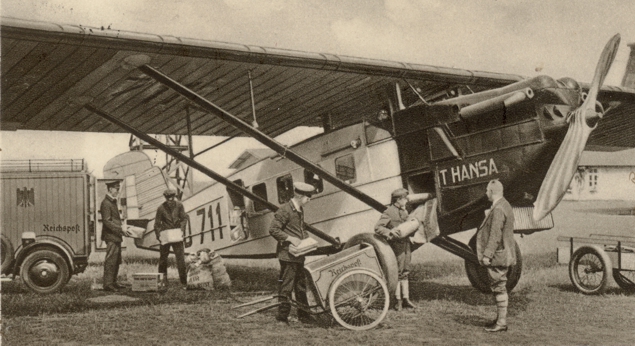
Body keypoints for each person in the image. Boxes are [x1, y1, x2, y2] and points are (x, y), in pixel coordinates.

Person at [268, 182, 315, 325]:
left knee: (300, 286)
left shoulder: (299, 209)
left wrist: (308, 239)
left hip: (298, 255)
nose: (310, 199)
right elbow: (273, 230)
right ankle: (282, 317)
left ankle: (304, 316)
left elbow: (299, 229)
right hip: (287, 256)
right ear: (300, 196)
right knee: (287, 286)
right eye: (308, 197)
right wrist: (289, 238)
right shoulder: (285, 210)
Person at [477, 180, 516, 332]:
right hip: (503, 252)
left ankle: (501, 323)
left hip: (498, 255)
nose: (486, 193)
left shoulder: (499, 209)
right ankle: (500, 319)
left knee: (499, 287)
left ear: (492, 192)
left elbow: (495, 235)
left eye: (487, 190)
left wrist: (487, 254)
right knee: (499, 286)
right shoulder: (505, 205)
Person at [375, 188, 416, 311]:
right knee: (397, 273)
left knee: (406, 271)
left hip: (406, 245)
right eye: (404, 199)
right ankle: (397, 300)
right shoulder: (389, 212)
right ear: (398, 200)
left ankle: (406, 299)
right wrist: (389, 232)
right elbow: (378, 228)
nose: (406, 201)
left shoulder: (405, 212)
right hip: (396, 246)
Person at [154, 189, 189, 288]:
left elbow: (184, 218)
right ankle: (162, 281)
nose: (170, 200)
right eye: (168, 198)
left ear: (174, 197)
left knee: (180, 259)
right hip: (165, 236)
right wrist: (160, 236)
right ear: (165, 197)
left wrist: (182, 230)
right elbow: (157, 224)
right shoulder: (161, 208)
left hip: (177, 235)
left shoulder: (179, 205)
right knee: (163, 259)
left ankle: (184, 282)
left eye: (172, 197)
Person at [100, 180, 130, 291]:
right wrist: (120, 228)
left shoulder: (111, 202)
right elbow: (107, 221)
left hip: (115, 236)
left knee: (116, 260)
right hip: (111, 236)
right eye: (116, 189)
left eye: (118, 188)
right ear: (110, 189)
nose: (117, 191)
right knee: (111, 260)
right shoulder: (106, 203)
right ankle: (108, 284)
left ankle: (113, 282)